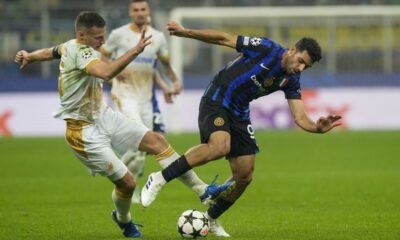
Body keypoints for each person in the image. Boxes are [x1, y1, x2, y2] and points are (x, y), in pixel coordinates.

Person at [13, 12, 227, 239]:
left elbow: (51, 52)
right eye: (97, 38)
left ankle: (203, 191)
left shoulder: (69, 45)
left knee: (157, 141)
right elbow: (105, 73)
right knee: (127, 184)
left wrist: (30, 56)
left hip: (103, 115)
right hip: (83, 131)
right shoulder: (81, 51)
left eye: (103, 36)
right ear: (82, 35)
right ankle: (124, 220)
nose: (102, 42)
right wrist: (135, 51)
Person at [141, 21, 342, 237]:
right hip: (217, 97)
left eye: (307, 67)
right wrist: (185, 32)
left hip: (239, 112)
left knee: (244, 175)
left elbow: (300, 117)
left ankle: (211, 217)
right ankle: (159, 178)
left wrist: (317, 128)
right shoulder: (267, 48)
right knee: (220, 146)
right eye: (301, 61)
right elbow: (224, 38)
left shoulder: (291, 79)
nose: (301, 68)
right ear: (292, 50)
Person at [100, 0, 213, 203]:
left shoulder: (158, 38)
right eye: (136, 10)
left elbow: (161, 66)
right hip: (124, 97)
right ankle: (114, 169)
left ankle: (120, 173)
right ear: (130, 12)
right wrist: (114, 70)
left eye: (143, 9)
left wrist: (173, 83)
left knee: (145, 150)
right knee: (144, 143)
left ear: (148, 11)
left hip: (146, 100)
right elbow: (102, 59)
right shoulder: (118, 35)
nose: (140, 13)